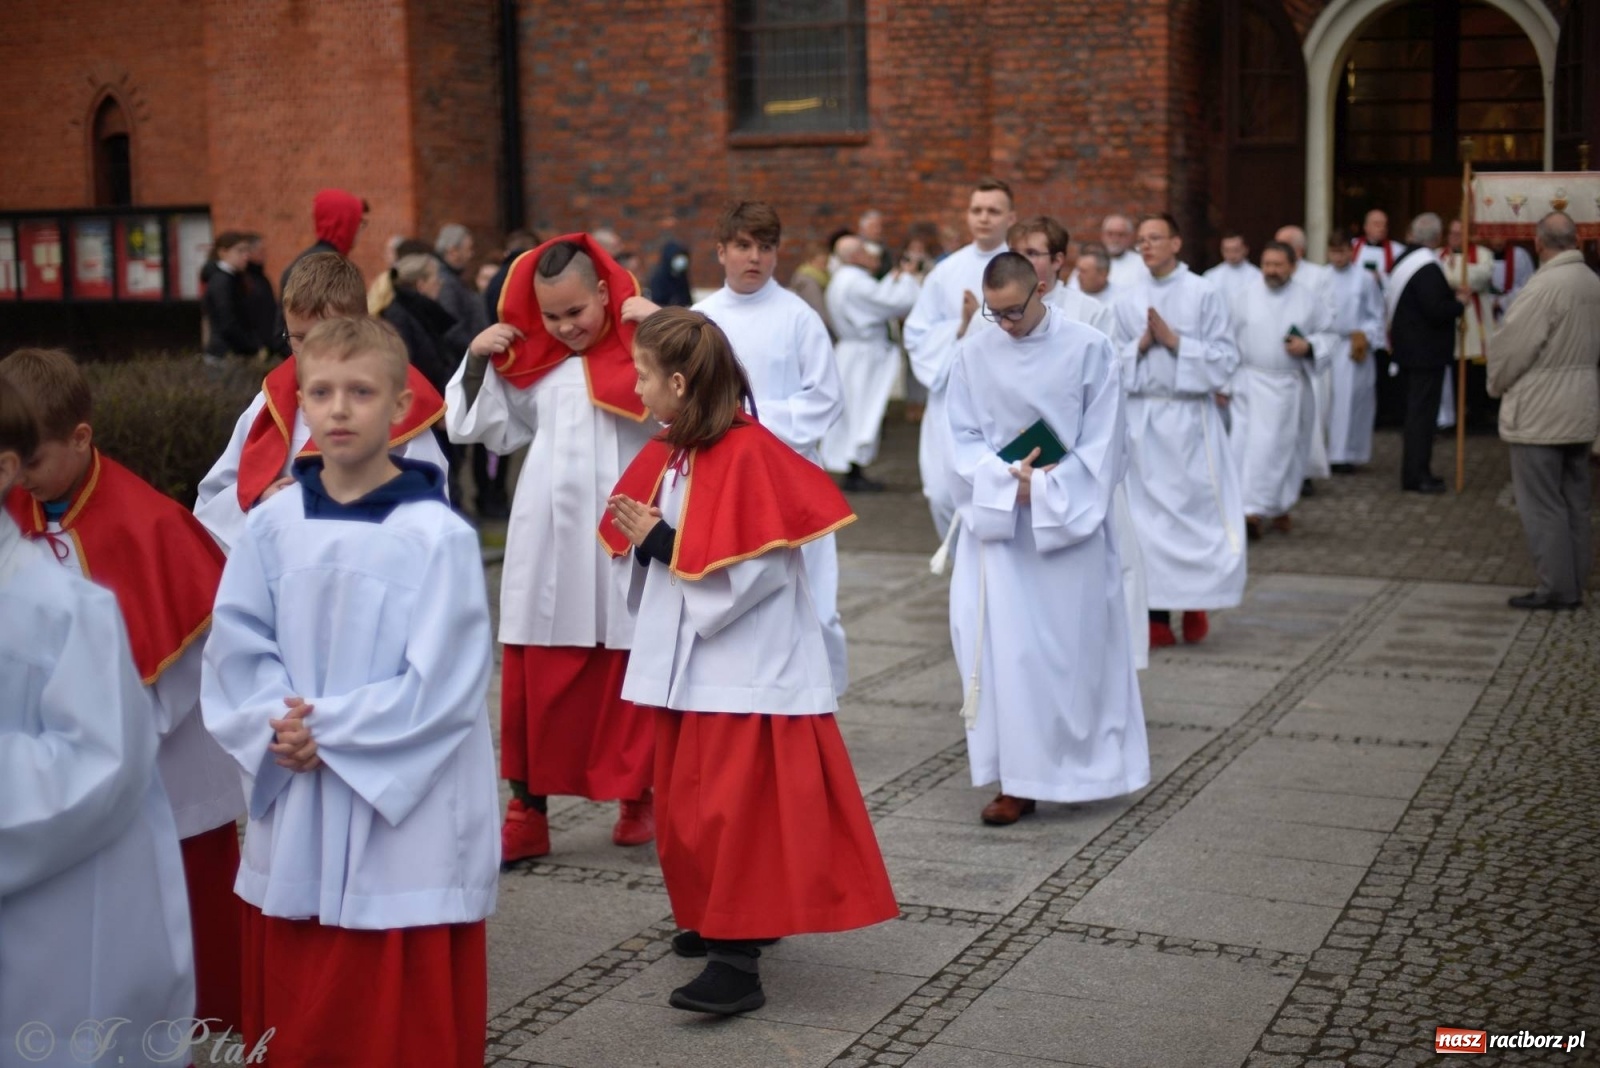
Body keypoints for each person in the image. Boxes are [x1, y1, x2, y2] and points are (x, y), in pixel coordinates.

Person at [201, 316, 498, 1067]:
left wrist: (323, 731)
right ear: (300, 402)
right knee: (304, 998)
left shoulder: (439, 538)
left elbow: (446, 687)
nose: (338, 409)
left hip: (404, 812)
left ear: (400, 407)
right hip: (298, 780)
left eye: (360, 392)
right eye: (322, 393)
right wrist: (278, 726)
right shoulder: (271, 526)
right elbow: (237, 643)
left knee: (394, 1007)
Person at [601, 308, 896, 1015]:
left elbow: (753, 573)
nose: (634, 388)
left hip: (744, 671)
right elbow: (662, 547)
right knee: (690, 810)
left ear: (678, 381)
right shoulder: (678, 449)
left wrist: (662, 543)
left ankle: (739, 963)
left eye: (643, 375)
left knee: (734, 815)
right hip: (692, 667)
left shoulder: (748, 454)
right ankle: (714, 917)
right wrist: (648, 541)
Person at [1, 347, 243, 1033]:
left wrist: (116, 732)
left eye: (34, 461)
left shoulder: (153, 524)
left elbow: (191, 658)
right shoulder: (18, 507)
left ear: (81, 439)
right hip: (50, 772)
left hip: (165, 769)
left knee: (182, 924)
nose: (19, 478)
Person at [448, 235, 656, 861]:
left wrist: (667, 326)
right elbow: (484, 427)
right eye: (552, 316)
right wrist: (478, 358)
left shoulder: (644, 352)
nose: (565, 327)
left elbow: (701, 397)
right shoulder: (534, 362)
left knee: (629, 662)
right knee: (537, 667)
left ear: (603, 293)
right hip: (547, 537)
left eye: (577, 312)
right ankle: (527, 808)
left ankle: (637, 794)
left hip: (623, 530)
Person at [943, 253, 1149, 825]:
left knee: (1072, 654)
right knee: (1007, 656)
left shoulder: (1088, 347)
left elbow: (1107, 440)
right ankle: (1017, 780)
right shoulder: (974, 351)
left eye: (1014, 311)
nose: (1004, 325)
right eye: (995, 313)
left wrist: (1052, 486)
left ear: (1041, 289)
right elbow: (958, 436)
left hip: (1067, 529)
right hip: (1002, 530)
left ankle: (1088, 769)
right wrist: (1005, 481)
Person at [633, 202, 850, 697]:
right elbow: (675, 395)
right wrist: (721, 430)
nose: (755, 257)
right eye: (743, 246)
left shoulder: (799, 317)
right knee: (722, 584)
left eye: (766, 247)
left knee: (815, 600)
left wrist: (746, 427)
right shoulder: (701, 320)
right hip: (714, 476)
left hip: (788, 478)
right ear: (722, 251)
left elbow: (824, 400)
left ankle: (823, 696)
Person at [194, 252, 449, 551]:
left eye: (326, 334)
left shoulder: (393, 404)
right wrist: (259, 500)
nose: (312, 350)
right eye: (298, 337)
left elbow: (430, 511)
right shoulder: (270, 401)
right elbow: (213, 498)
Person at [1111, 213, 1246, 647]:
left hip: (1189, 423)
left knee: (1192, 518)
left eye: (1154, 238)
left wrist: (1176, 343)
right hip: (1142, 421)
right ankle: (1152, 614)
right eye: (1141, 241)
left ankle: (1195, 604)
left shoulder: (1204, 293)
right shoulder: (1127, 299)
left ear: (1176, 243)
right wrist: (1140, 347)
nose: (1146, 246)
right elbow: (1109, 361)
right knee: (1144, 523)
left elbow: (1226, 358)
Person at [1486, 211, 1600, 610]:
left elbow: (1513, 346)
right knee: (1575, 501)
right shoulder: (1591, 281)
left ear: (1538, 243)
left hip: (1540, 408)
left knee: (1541, 503)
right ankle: (1574, 582)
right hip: (1581, 404)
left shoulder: (1544, 286)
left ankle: (1556, 588)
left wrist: (1496, 383)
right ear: (1577, 239)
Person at [905, 177, 1016, 537]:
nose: (984, 218)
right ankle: (961, 577)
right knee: (942, 494)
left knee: (997, 496)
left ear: (1010, 218)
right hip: (950, 399)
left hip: (1003, 401)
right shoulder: (945, 272)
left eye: (993, 211)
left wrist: (980, 322)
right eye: (977, 210)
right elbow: (917, 333)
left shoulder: (1020, 269)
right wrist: (962, 326)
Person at [1228, 242, 1334, 539]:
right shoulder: (1244, 297)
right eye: (1266, 264)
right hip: (1250, 385)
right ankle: (1250, 511)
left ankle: (1279, 506)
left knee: (1284, 451)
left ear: (1292, 266)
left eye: (1278, 265)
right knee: (1248, 451)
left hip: (1289, 387)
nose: (1271, 271)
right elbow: (1227, 340)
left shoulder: (1308, 300)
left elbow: (1328, 334)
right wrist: (1225, 383)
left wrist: (1309, 346)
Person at [820, 234, 922, 491]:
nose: (871, 256)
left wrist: (893, 279)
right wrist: (908, 278)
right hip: (864, 356)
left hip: (851, 352)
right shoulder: (857, 283)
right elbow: (895, 302)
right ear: (854, 256)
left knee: (853, 412)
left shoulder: (844, 280)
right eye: (865, 252)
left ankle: (852, 467)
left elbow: (878, 297)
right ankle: (855, 468)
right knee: (861, 412)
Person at [371, 253, 468, 509]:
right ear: (422, 284)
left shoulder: (421, 313)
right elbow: (407, 371)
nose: (440, 285)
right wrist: (432, 411)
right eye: (436, 279)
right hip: (422, 416)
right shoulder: (401, 317)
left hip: (434, 409)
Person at [1385, 213, 1465, 494]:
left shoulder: (1403, 259)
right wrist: (1459, 304)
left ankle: (1417, 472)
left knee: (1417, 415)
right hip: (1424, 354)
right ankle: (1417, 475)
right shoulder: (1427, 267)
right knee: (1422, 417)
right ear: (1436, 237)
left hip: (1409, 350)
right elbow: (1435, 310)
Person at [1275, 225, 1336, 486]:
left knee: (1308, 419)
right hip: (1274, 364)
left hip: (1306, 363)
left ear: (1299, 251)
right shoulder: (1267, 277)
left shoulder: (1319, 276)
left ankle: (1304, 473)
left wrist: (1309, 344)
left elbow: (1329, 318)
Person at [1324, 232, 1387, 473]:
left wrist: (1365, 335)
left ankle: (1349, 454)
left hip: (1353, 347)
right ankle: (1327, 453)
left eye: (1342, 252)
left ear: (1351, 252)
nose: (1338, 257)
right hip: (1328, 344)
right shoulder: (1322, 277)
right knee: (1328, 401)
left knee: (1352, 401)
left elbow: (1377, 313)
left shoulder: (1364, 279)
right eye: (1334, 252)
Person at [275, 188, 369, 343]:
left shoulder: (314, 258)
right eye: (359, 221)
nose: (361, 229)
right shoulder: (325, 266)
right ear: (344, 222)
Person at [1008, 217, 1116, 336]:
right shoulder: (994, 312)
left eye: (1031, 253)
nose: (1019, 261)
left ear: (1056, 261)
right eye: (1013, 253)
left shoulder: (1091, 313)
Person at [1438, 219, 1498, 433]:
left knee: (1475, 371)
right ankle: (1453, 415)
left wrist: (1454, 272)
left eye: (1459, 233)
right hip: (1451, 318)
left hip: (1476, 318)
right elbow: (1440, 279)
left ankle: (1477, 414)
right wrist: (1460, 275)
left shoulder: (1483, 253)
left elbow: (1482, 278)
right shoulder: (1438, 254)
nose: (1455, 237)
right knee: (1453, 371)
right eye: (1452, 233)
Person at [203, 231, 263, 364]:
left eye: (247, 251)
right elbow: (227, 321)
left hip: (230, 352)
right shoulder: (222, 281)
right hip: (225, 354)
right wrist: (250, 346)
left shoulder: (234, 278)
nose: (245, 256)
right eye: (240, 251)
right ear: (223, 252)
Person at [1070, 213, 1149, 290]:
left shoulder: (1141, 263)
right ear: (1103, 235)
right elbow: (1073, 290)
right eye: (1110, 234)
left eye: (1121, 235)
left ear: (1130, 237)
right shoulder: (1088, 262)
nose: (1115, 239)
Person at [243, 233, 285, 358]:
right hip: (257, 347)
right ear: (250, 252)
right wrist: (257, 344)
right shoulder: (245, 281)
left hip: (269, 342)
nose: (264, 254)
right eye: (260, 250)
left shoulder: (262, 279)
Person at [1203, 231, 1263, 316]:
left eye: (1236, 250)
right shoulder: (1211, 276)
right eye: (1227, 250)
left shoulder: (1257, 276)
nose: (1231, 254)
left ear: (1245, 249)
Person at [788, 242, 833, 336]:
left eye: (826, 262)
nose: (824, 267)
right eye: (821, 263)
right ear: (810, 260)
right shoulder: (808, 280)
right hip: (816, 328)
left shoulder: (823, 276)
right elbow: (818, 307)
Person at [1074, 243, 1116, 308]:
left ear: (1103, 274)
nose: (1078, 276)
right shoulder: (1071, 297)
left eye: (1084, 271)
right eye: (1078, 270)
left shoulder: (1120, 301)